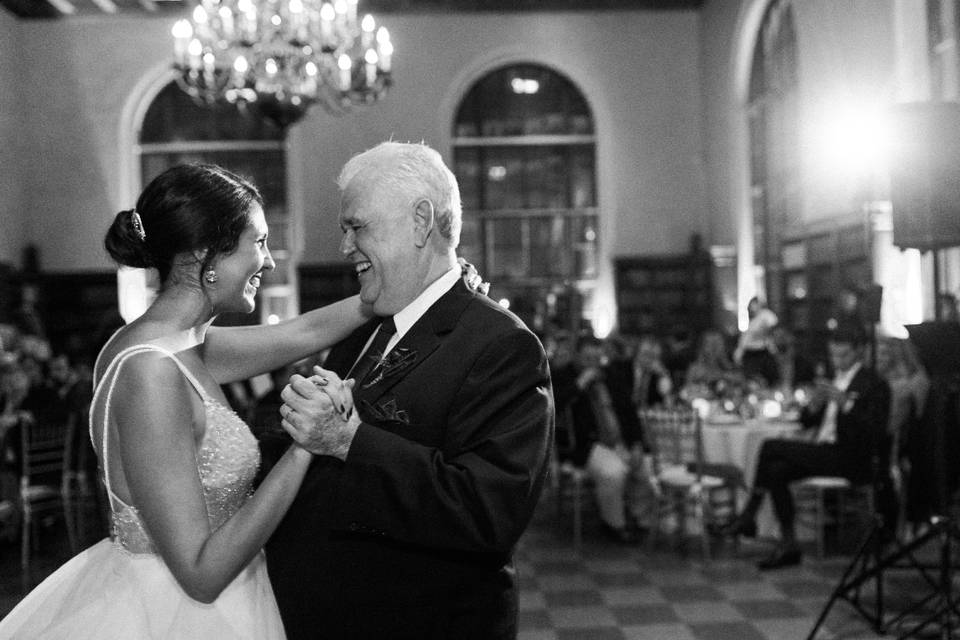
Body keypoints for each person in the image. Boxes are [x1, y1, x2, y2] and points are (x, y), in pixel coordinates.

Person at [0, 163, 374, 639]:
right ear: (206, 254)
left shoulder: (177, 345)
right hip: (179, 615)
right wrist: (306, 444)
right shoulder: (152, 369)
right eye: (258, 243)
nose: (270, 261)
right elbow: (200, 573)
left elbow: (303, 332)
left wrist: (395, 291)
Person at [263, 141, 554, 640]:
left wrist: (348, 440)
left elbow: (488, 513)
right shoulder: (364, 327)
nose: (345, 246)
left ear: (421, 221)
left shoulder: (502, 345)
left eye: (357, 227)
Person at [718, 326, 890, 569]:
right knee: (776, 470)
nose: (838, 361)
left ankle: (749, 514)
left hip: (850, 457)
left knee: (770, 445)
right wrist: (814, 405)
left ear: (859, 352)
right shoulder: (835, 378)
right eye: (834, 355)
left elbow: (874, 431)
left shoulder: (872, 382)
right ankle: (789, 545)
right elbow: (807, 421)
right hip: (827, 451)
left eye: (844, 356)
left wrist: (846, 405)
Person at [733, 296, 779, 386]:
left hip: (762, 352)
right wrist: (739, 353)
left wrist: (766, 333)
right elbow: (744, 340)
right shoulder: (752, 322)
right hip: (750, 354)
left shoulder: (765, 314)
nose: (752, 308)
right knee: (751, 379)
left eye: (754, 305)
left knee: (769, 377)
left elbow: (773, 324)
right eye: (750, 306)